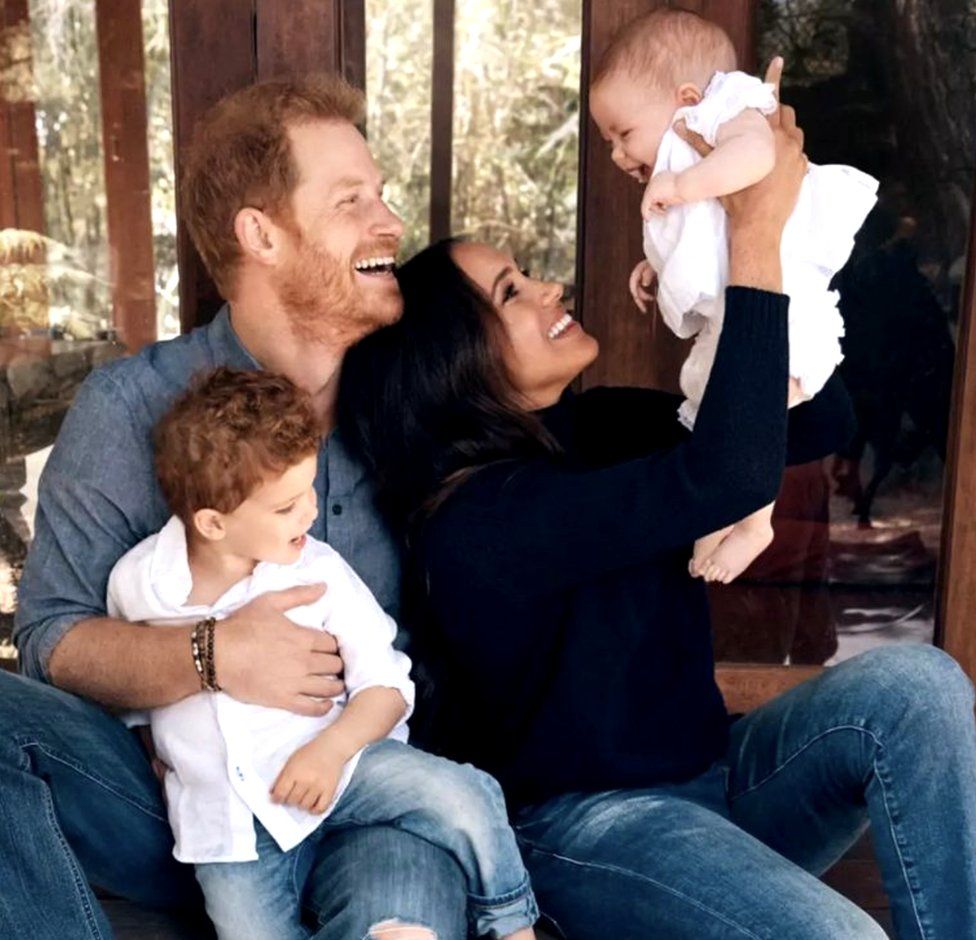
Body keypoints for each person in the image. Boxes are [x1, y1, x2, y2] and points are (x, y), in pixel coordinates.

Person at [339, 93, 976, 938]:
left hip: (718, 780)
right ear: (452, 362)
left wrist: (742, 273)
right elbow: (720, 478)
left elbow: (822, 422)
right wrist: (751, 232)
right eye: (512, 291)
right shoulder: (477, 521)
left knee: (918, 685)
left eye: (527, 272)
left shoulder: (598, 424)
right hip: (592, 831)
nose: (548, 287)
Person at [2, 76, 471, 940]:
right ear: (261, 234)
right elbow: (49, 640)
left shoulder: (408, 402)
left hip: (365, 792)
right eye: (351, 201)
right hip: (182, 811)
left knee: (405, 918)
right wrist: (213, 655)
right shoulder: (130, 408)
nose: (391, 223)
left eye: (381, 194)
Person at [107, 366, 538, 940]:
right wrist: (158, 755)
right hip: (229, 826)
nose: (309, 513)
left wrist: (330, 753)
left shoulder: (318, 571)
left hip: (344, 767)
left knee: (465, 796)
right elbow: (133, 691)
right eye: (285, 507)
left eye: (309, 489)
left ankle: (511, 924)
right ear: (212, 523)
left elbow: (387, 686)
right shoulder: (140, 584)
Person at [588, 9, 878, 584]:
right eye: (608, 143)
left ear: (688, 97)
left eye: (624, 134)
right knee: (713, 401)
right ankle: (725, 509)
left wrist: (683, 184)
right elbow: (710, 235)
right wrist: (656, 264)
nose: (619, 155)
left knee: (757, 403)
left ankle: (755, 520)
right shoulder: (690, 152)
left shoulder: (728, 110)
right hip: (742, 303)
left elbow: (757, 159)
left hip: (787, 298)